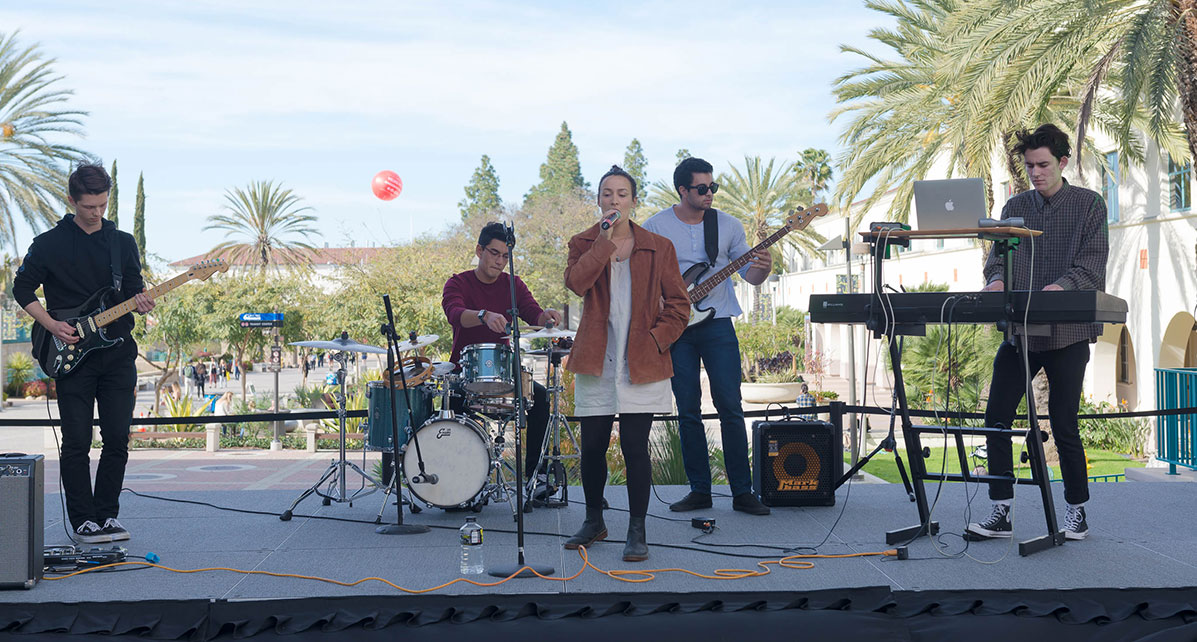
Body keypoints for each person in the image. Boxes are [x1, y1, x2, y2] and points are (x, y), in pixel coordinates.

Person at [966, 124, 1109, 543]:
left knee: (1064, 424)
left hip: (1067, 333)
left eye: (1043, 164)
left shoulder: (1089, 205)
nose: (1035, 172)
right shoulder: (1014, 205)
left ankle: (1077, 513)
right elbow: (995, 261)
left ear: (1063, 162)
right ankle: (1001, 512)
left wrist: (1058, 289)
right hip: (1019, 334)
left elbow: (1092, 265)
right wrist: (994, 281)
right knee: (996, 419)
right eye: (1029, 166)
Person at [13, 162, 154, 544]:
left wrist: (140, 303)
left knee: (117, 440)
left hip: (117, 354)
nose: (97, 213)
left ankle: (107, 515)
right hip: (71, 355)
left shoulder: (121, 242)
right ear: (72, 200)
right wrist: (50, 324)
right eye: (90, 206)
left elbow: (132, 290)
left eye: (103, 205)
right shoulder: (48, 244)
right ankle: (83, 520)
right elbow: (22, 289)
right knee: (76, 441)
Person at [562, 165, 689, 562]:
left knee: (635, 447)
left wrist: (656, 339)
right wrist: (602, 243)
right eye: (606, 194)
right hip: (597, 356)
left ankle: (637, 529)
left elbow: (680, 306)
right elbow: (576, 283)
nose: (613, 200)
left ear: (633, 201)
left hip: (643, 360)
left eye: (621, 194)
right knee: (593, 446)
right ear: (598, 200)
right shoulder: (583, 241)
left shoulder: (659, 246)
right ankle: (594, 520)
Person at [641, 157, 772, 516]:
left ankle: (742, 492)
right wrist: (662, 304)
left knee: (731, 407)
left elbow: (750, 276)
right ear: (682, 190)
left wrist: (764, 267)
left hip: (718, 325)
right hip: (675, 327)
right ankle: (700, 490)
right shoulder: (656, 226)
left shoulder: (728, 226)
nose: (709, 193)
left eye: (712, 187)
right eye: (702, 188)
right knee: (688, 411)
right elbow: (644, 278)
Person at [439, 221, 564, 496]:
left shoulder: (513, 284)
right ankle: (459, 483)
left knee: (541, 398)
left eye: (505, 256)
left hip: (506, 375)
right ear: (479, 250)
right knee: (451, 407)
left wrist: (548, 317)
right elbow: (454, 312)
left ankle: (536, 478)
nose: (500, 261)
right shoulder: (458, 282)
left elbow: (534, 314)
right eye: (494, 253)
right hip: (465, 375)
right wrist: (483, 315)